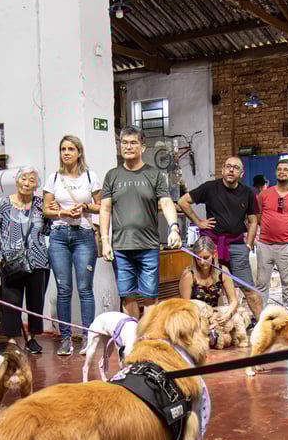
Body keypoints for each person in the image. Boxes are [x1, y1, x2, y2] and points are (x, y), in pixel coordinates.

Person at [99, 126, 181, 319]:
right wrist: (105, 241)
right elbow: (105, 209)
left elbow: (167, 203)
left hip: (149, 246)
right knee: (127, 297)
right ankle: (132, 340)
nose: (128, 147)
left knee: (150, 297)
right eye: (124, 143)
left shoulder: (154, 175)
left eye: (133, 142)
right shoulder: (112, 176)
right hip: (121, 247)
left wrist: (174, 228)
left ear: (143, 147)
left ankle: (149, 338)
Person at [178, 156, 261, 319]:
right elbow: (183, 201)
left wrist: (249, 246)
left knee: (249, 289)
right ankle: (198, 323)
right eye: (228, 166)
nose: (231, 170)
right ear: (222, 170)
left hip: (237, 245)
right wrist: (198, 222)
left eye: (235, 167)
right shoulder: (210, 188)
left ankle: (263, 324)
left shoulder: (248, 193)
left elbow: (253, 221)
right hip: (211, 246)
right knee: (205, 286)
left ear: (241, 173)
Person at [42, 135, 101, 356]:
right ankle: (65, 338)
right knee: (63, 290)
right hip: (59, 235)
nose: (66, 153)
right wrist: (62, 212)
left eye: (70, 149)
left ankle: (88, 336)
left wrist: (85, 206)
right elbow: (46, 210)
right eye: (63, 149)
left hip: (83, 234)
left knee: (85, 289)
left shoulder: (90, 176)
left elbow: (101, 206)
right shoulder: (54, 178)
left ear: (79, 152)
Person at [0, 166, 50, 354]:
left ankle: (32, 338)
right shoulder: (3, 204)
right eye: (24, 179)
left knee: (35, 301)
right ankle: (12, 339)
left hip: (38, 260)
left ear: (36, 185)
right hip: (10, 261)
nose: (26, 183)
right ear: (16, 181)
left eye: (31, 180)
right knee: (11, 302)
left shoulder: (41, 204)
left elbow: (49, 228)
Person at [255, 159, 288, 309]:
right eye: (279, 169)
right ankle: (261, 315)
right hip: (265, 245)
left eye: (286, 169)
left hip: (286, 246)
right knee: (262, 283)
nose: (282, 171)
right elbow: (257, 216)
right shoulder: (264, 195)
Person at [179, 236, 238, 320]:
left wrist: (228, 315)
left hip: (215, 314)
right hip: (195, 316)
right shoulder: (188, 275)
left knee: (237, 317)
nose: (202, 262)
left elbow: (233, 301)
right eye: (198, 258)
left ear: (214, 254)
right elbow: (185, 306)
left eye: (206, 258)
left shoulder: (222, 271)